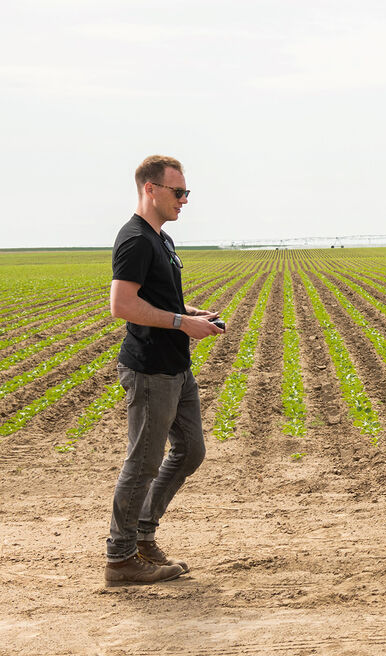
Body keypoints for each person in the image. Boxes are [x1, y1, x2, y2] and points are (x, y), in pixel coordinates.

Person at [104, 155, 223, 586]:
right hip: (150, 368)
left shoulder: (162, 239)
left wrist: (192, 314)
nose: (185, 201)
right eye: (178, 192)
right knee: (143, 461)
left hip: (175, 366)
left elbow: (158, 298)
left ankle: (142, 535)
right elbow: (122, 304)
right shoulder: (135, 239)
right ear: (150, 189)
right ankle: (120, 559)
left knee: (190, 450)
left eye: (187, 192)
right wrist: (181, 323)